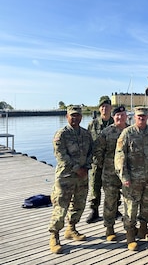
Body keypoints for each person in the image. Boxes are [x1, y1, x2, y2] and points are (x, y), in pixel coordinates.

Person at [115, 106, 148, 251]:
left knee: (147, 206)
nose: (141, 119)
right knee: (131, 208)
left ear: (147, 117)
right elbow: (119, 156)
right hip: (132, 180)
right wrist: (124, 176)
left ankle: (143, 229)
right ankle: (130, 235)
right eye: (139, 116)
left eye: (144, 116)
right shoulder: (127, 133)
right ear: (134, 117)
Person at [48, 105, 93, 254]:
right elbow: (60, 156)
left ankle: (71, 229)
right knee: (61, 206)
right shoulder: (61, 134)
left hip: (82, 177)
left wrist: (86, 167)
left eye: (78, 115)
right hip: (66, 176)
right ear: (67, 117)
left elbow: (90, 153)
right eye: (72, 115)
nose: (75, 118)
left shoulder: (86, 134)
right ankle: (54, 236)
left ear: (81, 117)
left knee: (79, 204)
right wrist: (76, 168)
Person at [93, 105, 128, 241]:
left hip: (128, 173)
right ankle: (109, 228)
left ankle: (129, 227)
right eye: (117, 115)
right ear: (113, 117)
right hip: (110, 173)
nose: (120, 117)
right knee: (110, 201)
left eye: (122, 115)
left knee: (129, 201)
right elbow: (98, 152)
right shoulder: (106, 133)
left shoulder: (131, 131)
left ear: (126, 116)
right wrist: (104, 166)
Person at [86, 95, 116, 223]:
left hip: (112, 162)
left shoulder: (116, 124)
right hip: (96, 162)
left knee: (114, 186)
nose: (105, 109)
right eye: (102, 106)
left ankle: (115, 208)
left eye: (107, 106)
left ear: (111, 108)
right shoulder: (93, 124)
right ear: (99, 109)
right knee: (95, 186)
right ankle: (94, 210)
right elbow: (87, 143)